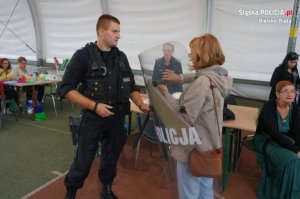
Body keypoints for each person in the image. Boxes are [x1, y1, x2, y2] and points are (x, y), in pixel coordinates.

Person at [60, 14, 149, 199]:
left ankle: (106, 189)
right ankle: (71, 192)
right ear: (102, 31)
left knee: (111, 157)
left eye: (119, 31)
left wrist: (141, 104)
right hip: (93, 119)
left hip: (117, 118)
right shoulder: (83, 56)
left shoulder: (121, 57)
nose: (119, 35)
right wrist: (94, 106)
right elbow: (66, 89)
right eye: (115, 31)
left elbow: (131, 87)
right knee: (84, 159)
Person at [158, 34, 232, 199]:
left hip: (193, 147)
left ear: (202, 53)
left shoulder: (202, 83)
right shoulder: (219, 77)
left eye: (192, 51)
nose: (190, 54)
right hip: (209, 144)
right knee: (205, 190)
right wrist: (181, 77)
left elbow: (182, 117)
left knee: (189, 192)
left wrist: (165, 96)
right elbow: (202, 75)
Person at [254, 80, 300, 199]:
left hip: (285, 142)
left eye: (292, 91)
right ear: (277, 94)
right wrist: (296, 150)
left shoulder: (294, 107)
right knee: (294, 160)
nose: (290, 94)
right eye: (285, 91)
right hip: (267, 141)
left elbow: (297, 131)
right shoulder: (269, 106)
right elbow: (274, 133)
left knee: (296, 159)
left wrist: (299, 149)